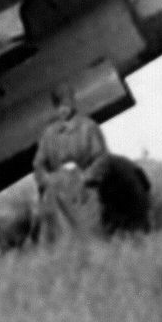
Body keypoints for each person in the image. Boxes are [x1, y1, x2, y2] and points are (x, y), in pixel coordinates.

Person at [31, 85, 109, 244]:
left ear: (73, 103)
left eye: (66, 104)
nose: (63, 109)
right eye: (59, 105)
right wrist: (49, 180)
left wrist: (85, 177)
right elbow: (38, 164)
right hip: (58, 197)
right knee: (64, 243)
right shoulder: (49, 133)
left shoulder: (89, 127)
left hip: (84, 194)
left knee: (92, 241)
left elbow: (101, 157)